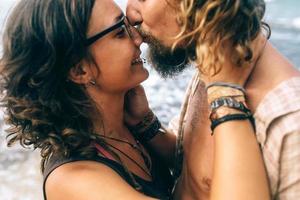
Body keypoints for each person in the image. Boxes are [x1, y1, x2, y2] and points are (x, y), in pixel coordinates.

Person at [0, 0, 269, 199]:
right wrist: (226, 93)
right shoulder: (75, 180)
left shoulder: (121, 129)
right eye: (120, 32)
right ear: (79, 70)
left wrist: (147, 125)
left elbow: (188, 169)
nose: (138, 37)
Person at [126, 0, 300, 199]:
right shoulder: (213, 67)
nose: (131, 15)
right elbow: (192, 164)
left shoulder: (291, 122)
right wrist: (145, 123)